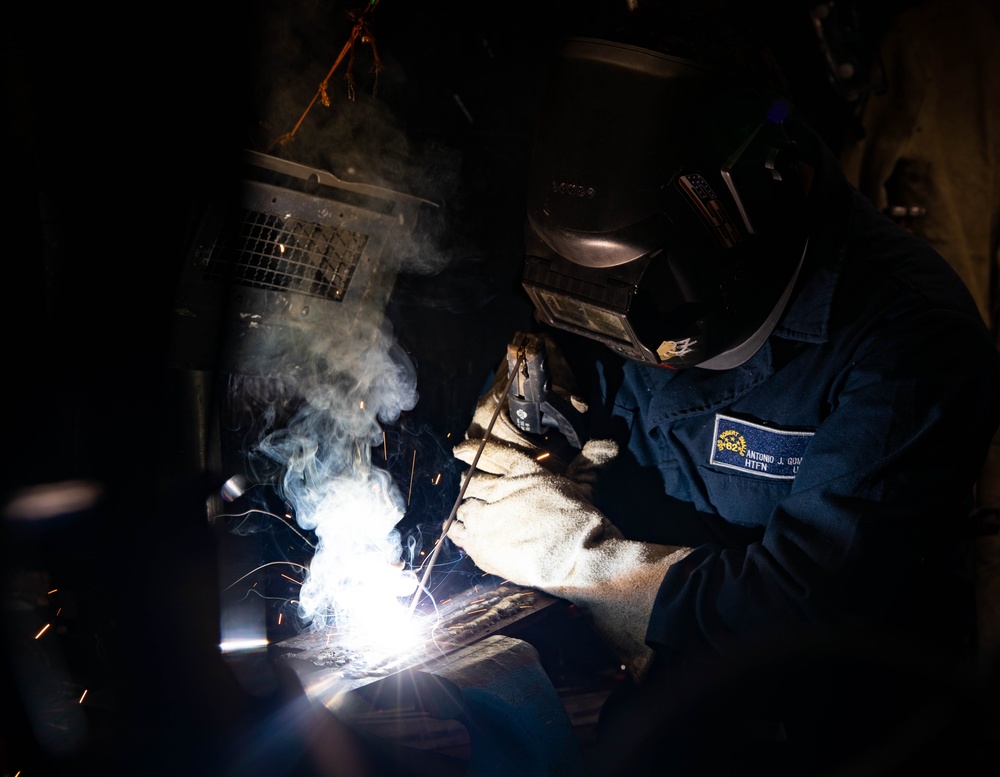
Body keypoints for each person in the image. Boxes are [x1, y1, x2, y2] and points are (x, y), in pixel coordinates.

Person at [445, 4, 1000, 776]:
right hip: (665, 722)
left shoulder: (910, 341)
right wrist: (541, 415)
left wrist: (582, 556)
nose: (630, 338)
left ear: (749, 202)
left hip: (838, 745)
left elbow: (805, 618)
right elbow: (583, 362)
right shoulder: (635, 236)